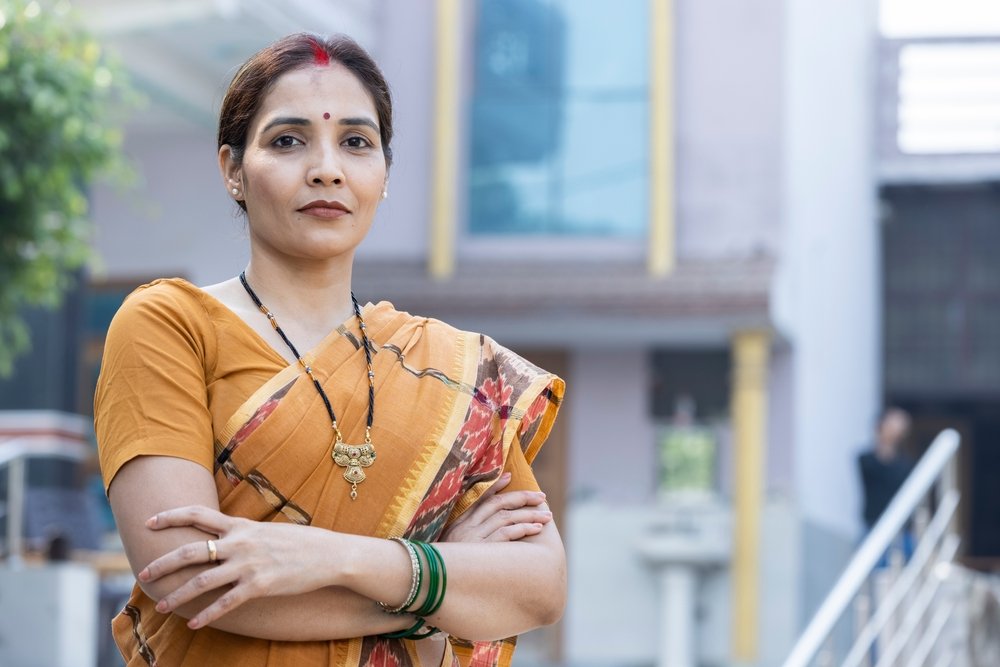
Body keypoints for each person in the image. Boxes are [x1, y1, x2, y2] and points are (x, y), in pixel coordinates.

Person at [95, 33, 566, 667]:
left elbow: (538, 587)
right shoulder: (171, 325)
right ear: (232, 169)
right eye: (287, 140)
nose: (326, 168)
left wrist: (331, 559)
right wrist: (437, 591)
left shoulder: (448, 369)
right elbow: (190, 576)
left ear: (384, 174)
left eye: (356, 142)